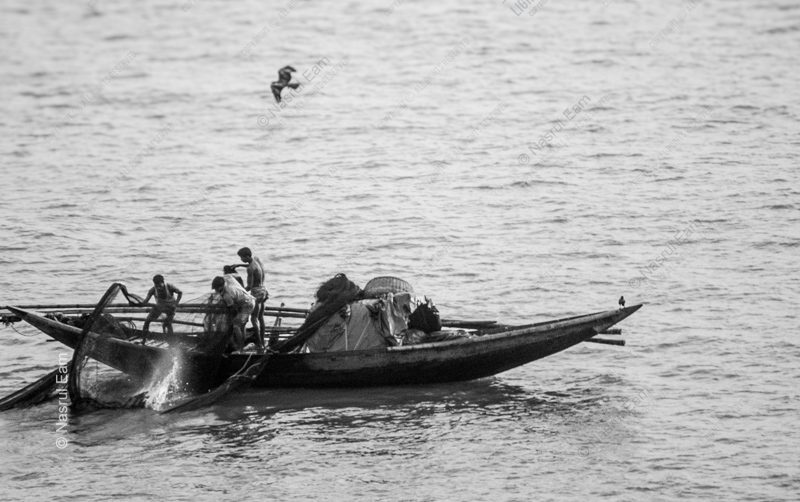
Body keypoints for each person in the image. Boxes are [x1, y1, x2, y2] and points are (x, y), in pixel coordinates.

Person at [211, 275, 255, 352]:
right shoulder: (228, 282)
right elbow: (230, 276)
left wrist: (231, 319)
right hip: (250, 301)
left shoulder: (226, 295)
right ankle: (242, 345)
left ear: (220, 287)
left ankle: (241, 348)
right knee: (242, 326)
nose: (215, 290)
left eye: (216, 288)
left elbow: (232, 308)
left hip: (247, 305)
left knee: (236, 326)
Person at [236, 247, 268, 349]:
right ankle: (262, 341)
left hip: (256, 293)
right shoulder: (256, 261)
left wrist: (240, 292)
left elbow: (249, 286)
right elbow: (250, 265)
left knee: (254, 319)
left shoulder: (250, 269)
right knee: (261, 318)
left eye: (241, 258)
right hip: (263, 291)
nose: (241, 259)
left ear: (247, 256)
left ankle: (259, 344)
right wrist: (239, 265)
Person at [141, 274, 182, 345]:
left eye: (159, 285)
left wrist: (176, 303)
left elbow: (180, 293)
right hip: (159, 307)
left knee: (168, 323)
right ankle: (143, 339)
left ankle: (171, 341)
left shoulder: (169, 286)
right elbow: (146, 301)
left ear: (163, 282)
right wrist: (139, 303)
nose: (158, 287)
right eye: (156, 285)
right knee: (147, 321)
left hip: (170, 308)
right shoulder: (153, 290)